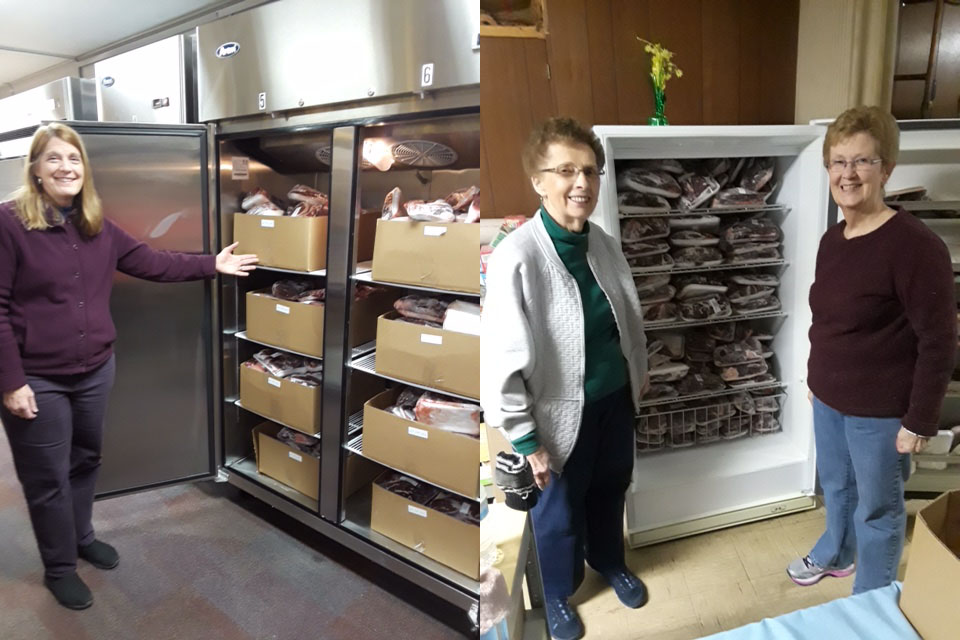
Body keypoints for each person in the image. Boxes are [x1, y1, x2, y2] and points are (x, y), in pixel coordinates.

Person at [0, 123, 258, 610]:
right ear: (34, 169)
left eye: (73, 159)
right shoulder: (9, 223)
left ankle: (81, 537)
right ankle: (59, 569)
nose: (65, 168)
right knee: (46, 477)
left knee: (86, 460)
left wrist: (211, 265)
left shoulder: (95, 223)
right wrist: (11, 382)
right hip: (37, 377)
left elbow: (152, 262)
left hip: (95, 368)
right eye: (53, 158)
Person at [481, 117, 649, 640]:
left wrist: (636, 379)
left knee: (609, 488)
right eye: (567, 171)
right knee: (558, 513)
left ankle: (609, 561)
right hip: (554, 414)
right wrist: (526, 439)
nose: (582, 183)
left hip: (613, 402)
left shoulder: (601, 243)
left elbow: (629, 319)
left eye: (591, 171)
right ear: (538, 180)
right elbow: (501, 358)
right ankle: (556, 593)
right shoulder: (519, 256)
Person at [788, 106, 956, 594]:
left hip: (880, 413)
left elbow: (940, 341)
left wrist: (919, 421)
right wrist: (816, 382)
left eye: (862, 162)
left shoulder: (915, 247)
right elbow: (830, 321)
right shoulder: (832, 240)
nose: (848, 174)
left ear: (886, 169)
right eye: (838, 162)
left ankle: (871, 602)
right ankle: (837, 552)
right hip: (829, 399)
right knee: (837, 489)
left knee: (878, 509)